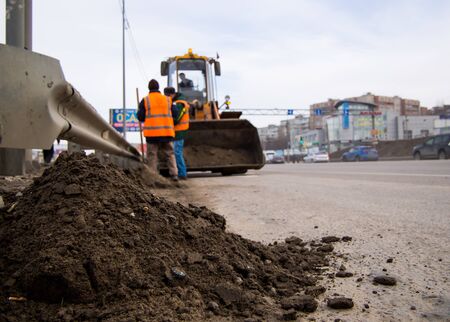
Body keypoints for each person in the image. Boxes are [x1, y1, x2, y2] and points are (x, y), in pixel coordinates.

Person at [137, 79, 178, 181]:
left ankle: (153, 176)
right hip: (167, 132)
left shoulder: (145, 100)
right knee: (170, 153)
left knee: (152, 155)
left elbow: (141, 117)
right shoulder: (168, 99)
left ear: (149, 88)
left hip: (152, 134)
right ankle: (174, 175)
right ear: (158, 87)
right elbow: (175, 114)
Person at [164, 87, 190, 180]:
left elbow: (177, 119)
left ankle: (182, 173)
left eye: (167, 96)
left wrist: (166, 121)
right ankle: (181, 172)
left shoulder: (180, 104)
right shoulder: (178, 102)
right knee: (176, 152)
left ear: (172, 94)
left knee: (177, 152)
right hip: (178, 131)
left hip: (179, 132)